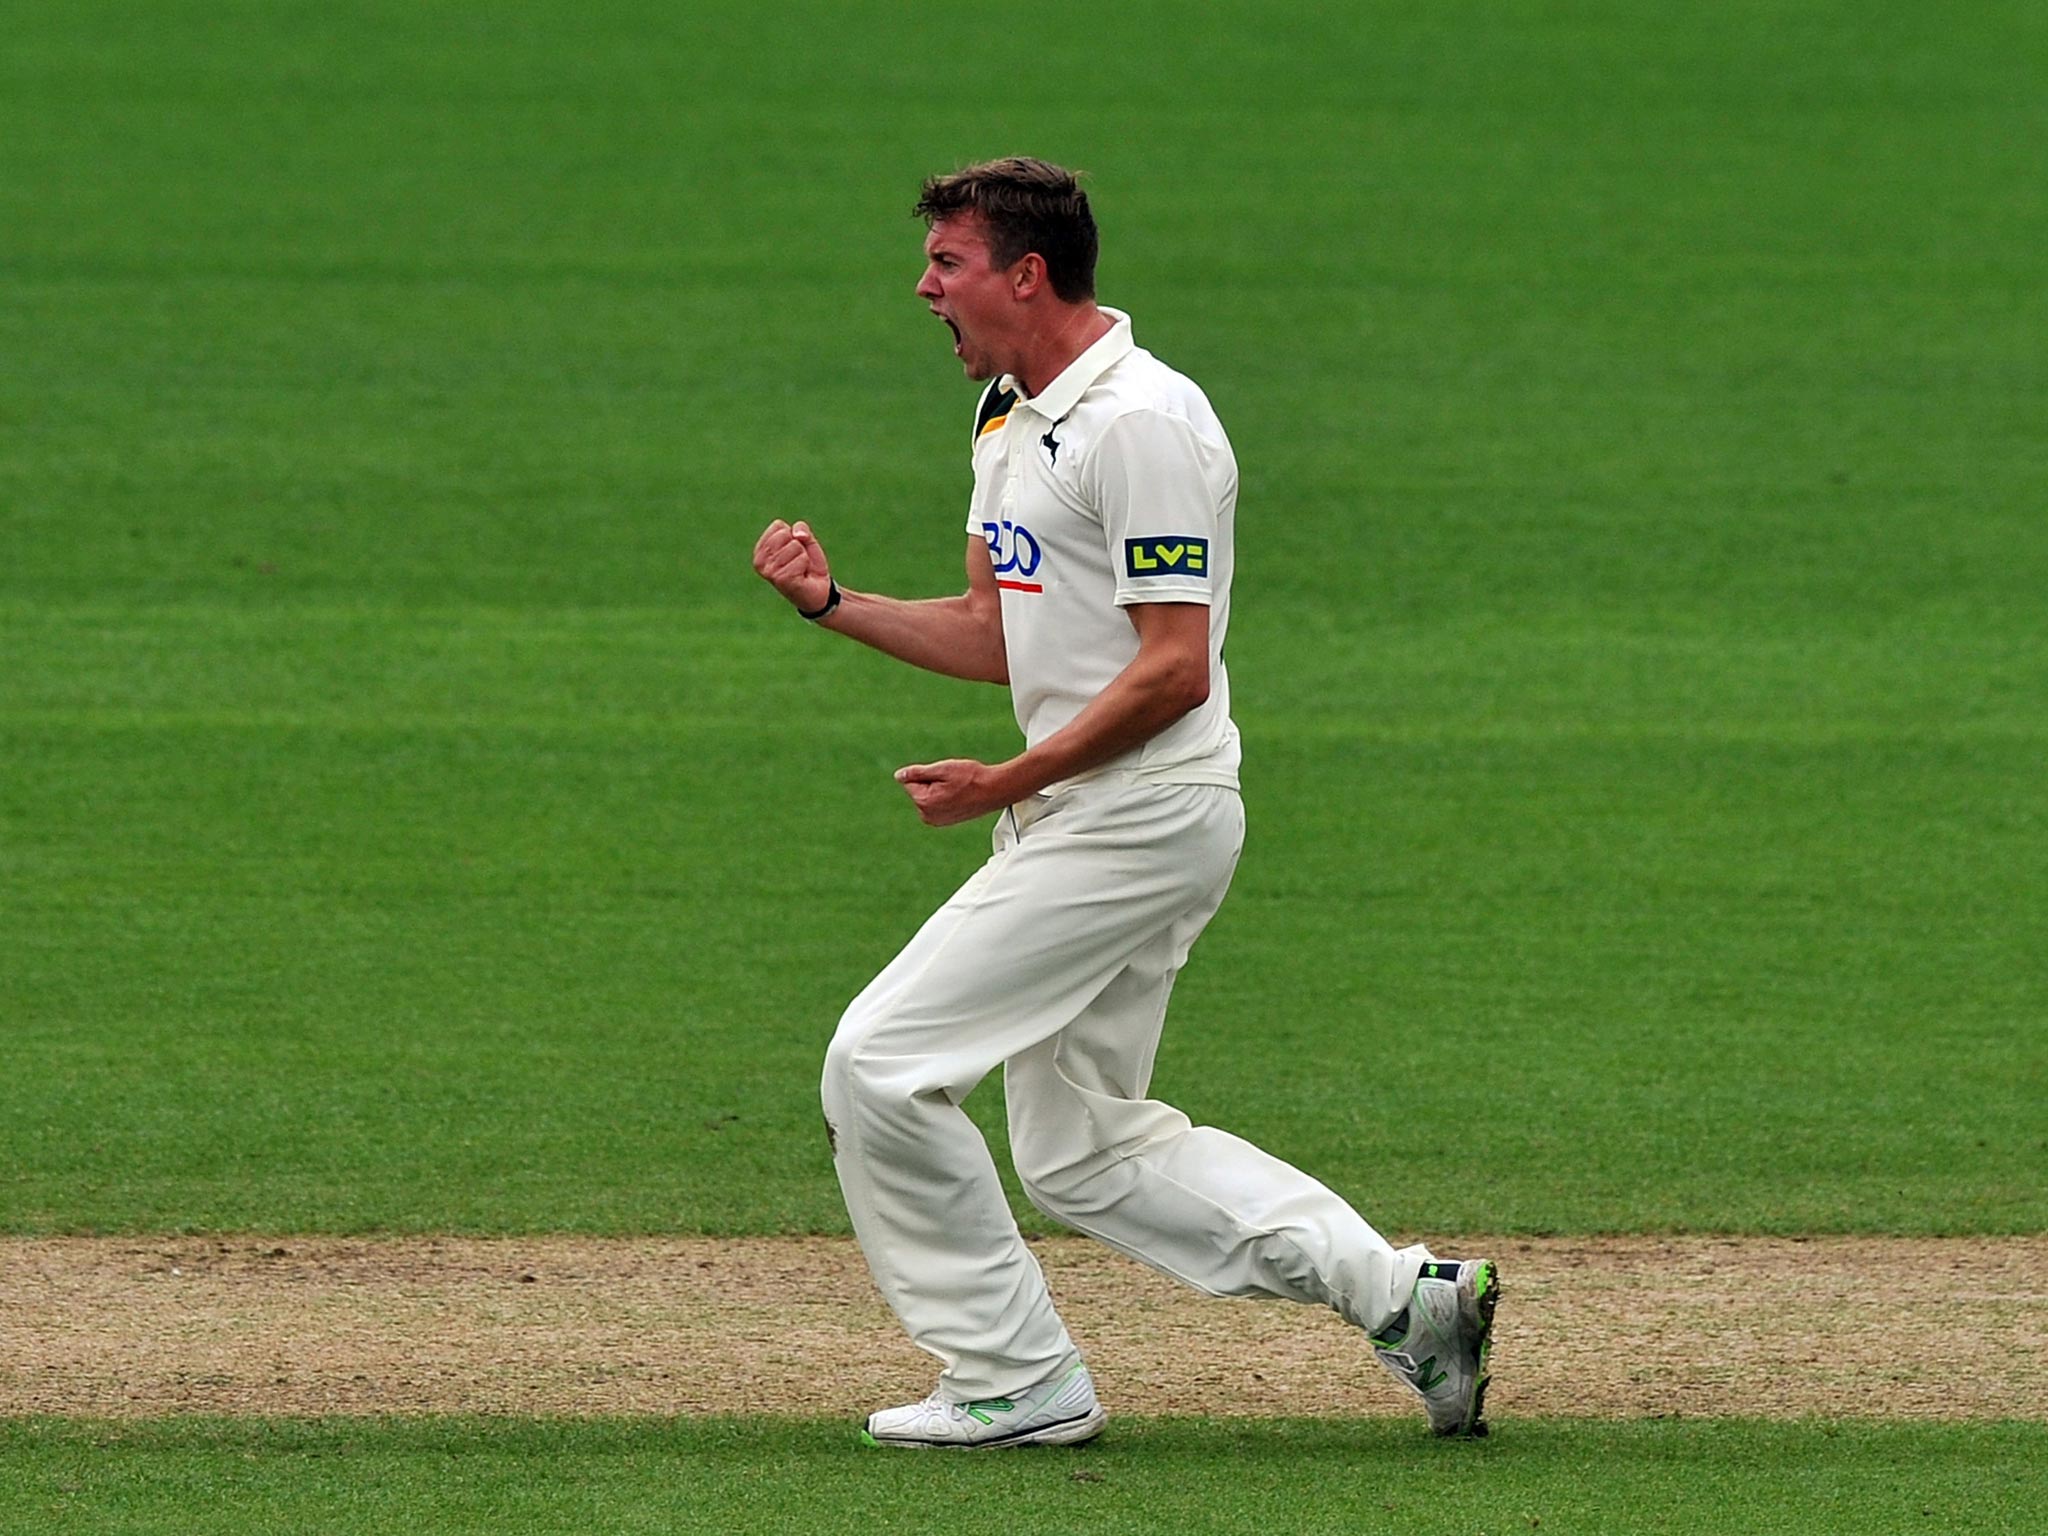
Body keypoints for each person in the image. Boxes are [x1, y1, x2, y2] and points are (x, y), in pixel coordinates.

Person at [751, 157, 1499, 1449]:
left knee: (879, 1064)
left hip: (1140, 811)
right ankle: (1406, 1301)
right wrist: (834, 604)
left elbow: (1171, 666)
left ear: (1026, 273)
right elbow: (1002, 630)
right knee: (1081, 1147)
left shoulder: (1143, 424)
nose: (925, 287)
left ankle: (1014, 1374)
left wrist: (1011, 777)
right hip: (1099, 808)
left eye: (949, 263)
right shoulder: (1007, 412)